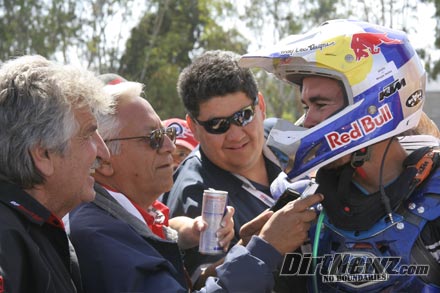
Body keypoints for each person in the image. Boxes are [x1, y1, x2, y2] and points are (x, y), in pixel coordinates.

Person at [239, 19, 440, 291]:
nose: (306, 121)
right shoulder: (299, 203)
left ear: (373, 104)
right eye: (305, 105)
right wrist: (253, 252)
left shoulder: (434, 196)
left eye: (319, 104)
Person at [68, 79, 322, 292]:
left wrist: (247, 246)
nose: (169, 147)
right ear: (103, 158)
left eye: (167, 135)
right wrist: (265, 249)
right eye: (153, 138)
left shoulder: (122, 219)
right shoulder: (99, 234)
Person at [160, 50, 310, 291]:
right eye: (217, 125)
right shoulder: (197, 192)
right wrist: (262, 247)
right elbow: (201, 282)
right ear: (194, 128)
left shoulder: (282, 136)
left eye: (243, 116)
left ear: (260, 106)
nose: (235, 135)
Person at [0, 55, 112, 292]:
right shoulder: (7, 242)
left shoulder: (36, 225)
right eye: (88, 134)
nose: (103, 152)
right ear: (43, 155)